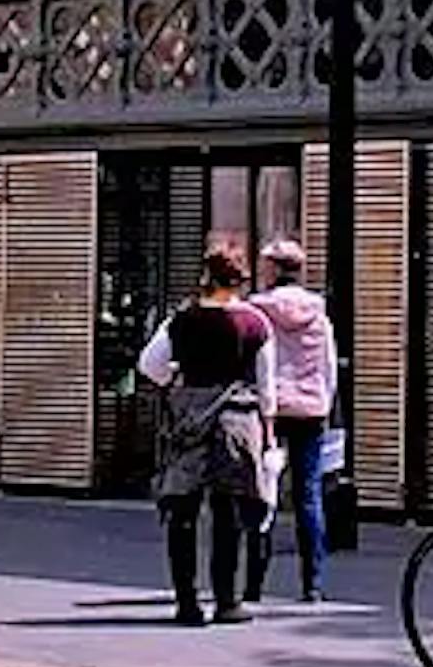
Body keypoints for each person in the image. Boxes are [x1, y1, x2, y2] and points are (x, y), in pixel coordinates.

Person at [133, 244, 272, 627]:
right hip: (236, 423)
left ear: (205, 278)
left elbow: (151, 366)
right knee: (228, 512)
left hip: (191, 420)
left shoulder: (182, 320)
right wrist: (269, 428)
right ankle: (227, 602)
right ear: (240, 281)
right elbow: (267, 384)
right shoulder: (255, 322)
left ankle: (187, 602)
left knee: (183, 511)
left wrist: (177, 378)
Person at [246, 236, 343, 606]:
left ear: (272, 269)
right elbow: (328, 365)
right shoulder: (318, 313)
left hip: (269, 411)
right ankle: (313, 584)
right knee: (308, 496)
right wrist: (323, 401)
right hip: (310, 410)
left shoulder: (258, 310)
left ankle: (254, 583)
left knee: (261, 493)